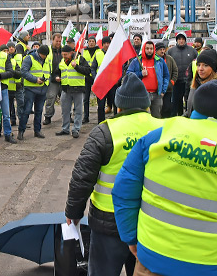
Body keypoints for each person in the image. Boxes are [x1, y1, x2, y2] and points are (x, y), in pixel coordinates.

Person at [112, 80, 217, 276]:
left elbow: (123, 189)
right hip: (210, 265)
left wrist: (131, 238)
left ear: (194, 105)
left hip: (152, 258)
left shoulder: (160, 135)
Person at [65, 73, 161, 276]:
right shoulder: (163, 130)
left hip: (109, 221)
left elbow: (82, 177)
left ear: (119, 106)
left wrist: (73, 212)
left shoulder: (104, 131)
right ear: (146, 105)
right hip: (150, 220)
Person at [54, 45, 90, 138]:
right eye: (63, 54)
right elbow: (57, 71)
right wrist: (57, 77)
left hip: (78, 89)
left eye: (65, 54)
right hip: (66, 89)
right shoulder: (62, 61)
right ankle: (65, 129)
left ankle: (76, 129)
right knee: (65, 110)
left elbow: (87, 70)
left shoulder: (79, 59)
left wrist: (76, 67)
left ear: (71, 53)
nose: (64, 56)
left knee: (78, 110)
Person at [126, 41, 169, 118]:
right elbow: (128, 74)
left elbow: (166, 76)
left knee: (157, 117)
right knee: (144, 118)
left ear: (154, 50)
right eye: (147, 48)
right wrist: (140, 74)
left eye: (151, 49)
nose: (149, 51)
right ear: (144, 49)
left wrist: (163, 90)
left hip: (157, 95)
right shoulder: (137, 61)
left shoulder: (159, 61)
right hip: (142, 95)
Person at [185, 48, 217, 115]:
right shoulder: (195, 83)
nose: (200, 69)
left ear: (213, 68)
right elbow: (190, 110)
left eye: (205, 65)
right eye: (198, 65)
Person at [18, 44, 50, 140]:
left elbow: (48, 72)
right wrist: (35, 79)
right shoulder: (29, 58)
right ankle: (21, 131)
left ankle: (37, 131)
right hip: (30, 89)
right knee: (26, 110)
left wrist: (46, 81)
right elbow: (23, 72)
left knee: (39, 111)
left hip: (42, 89)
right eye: (44, 55)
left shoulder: (46, 60)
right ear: (40, 53)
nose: (45, 57)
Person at [167, 32, 197, 115]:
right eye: (179, 39)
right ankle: (175, 119)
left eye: (183, 39)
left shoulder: (192, 51)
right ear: (177, 40)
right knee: (176, 102)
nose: (181, 41)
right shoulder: (171, 51)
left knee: (189, 101)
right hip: (176, 81)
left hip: (189, 82)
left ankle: (188, 117)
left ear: (185, 40)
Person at [82, 36, 103, 123]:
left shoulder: (99, 51)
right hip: (87, 77)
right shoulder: (84, 51)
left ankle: (99, 117)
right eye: (89, 41)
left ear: (95, 42)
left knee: (99, 99)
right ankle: (86, 117)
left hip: (96, 77)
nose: (91, 43)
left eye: (93, 41)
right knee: (86, 98)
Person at [91, 36, 112, 123]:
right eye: (105, 43)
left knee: (114, 103)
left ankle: (114, 122)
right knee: (101, 105)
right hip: (101, 84)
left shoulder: (114, 53)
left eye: (108, 43)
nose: (107, 45)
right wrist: (96, 78)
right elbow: (93, 68)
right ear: (102, 45)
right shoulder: (98, 54)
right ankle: (101, 122)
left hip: (112, 83)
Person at [44, 32, 62, 125]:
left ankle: (68, 115)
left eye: (60, 41)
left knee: (65, 99)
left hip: (63, 78)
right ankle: (48, 116)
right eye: (56, 41)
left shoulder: (64, 50)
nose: (58, 43)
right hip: (51, 77)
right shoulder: (48, 50)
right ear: (52, 40)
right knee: (50, 97)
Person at [154, 42, 177, 118]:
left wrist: (172, 82)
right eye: (160, 49)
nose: (162, 51)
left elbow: (175, 70)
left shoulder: (169, 59)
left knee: (167, 107)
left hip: (168, 89)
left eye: (163, 49)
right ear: (156, 51)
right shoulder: (154, 60)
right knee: (157, 107)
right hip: (156, 89)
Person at [6, 41, 23, 127]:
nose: (11, 48)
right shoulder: (5, 57)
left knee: (21, 103)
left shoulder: (20, 56)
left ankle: (22, 121)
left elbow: (23, 69)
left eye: (13, 46)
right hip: (9, 86)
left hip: (19, 85)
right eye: (9, 47)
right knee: (10, 105)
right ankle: (12, 120)